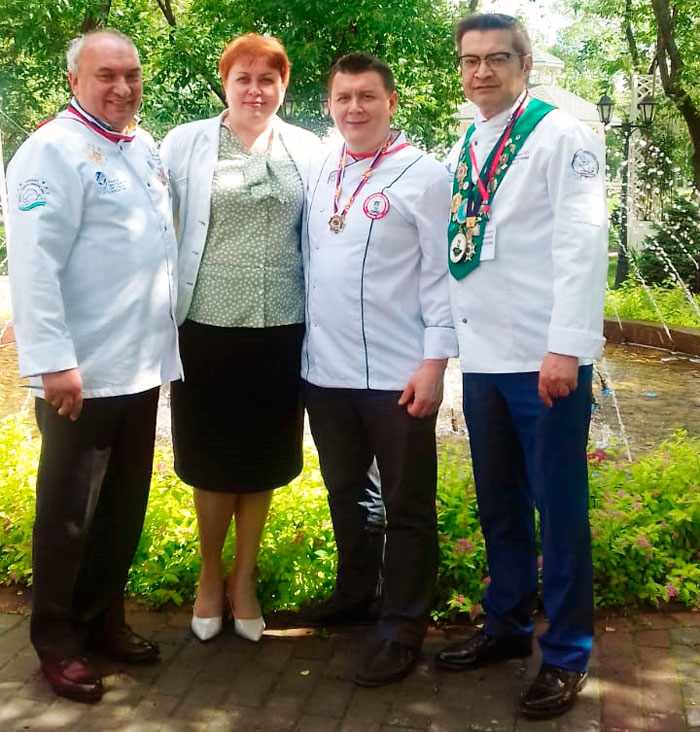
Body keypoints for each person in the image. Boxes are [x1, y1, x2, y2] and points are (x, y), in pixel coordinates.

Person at [435, 13, 608, 720]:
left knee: (558, 510)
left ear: (525, 63)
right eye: (470, 60)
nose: (482, 71)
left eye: (497, 58)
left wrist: (566, 346)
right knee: (500, 502)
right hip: (484, 360)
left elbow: (582, 243)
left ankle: (566, 652)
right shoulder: (466, 143)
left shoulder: (561, 135)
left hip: (544, 359)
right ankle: (506, 625)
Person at [6, 30, 181, 703]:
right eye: (106, 75)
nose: (122, 87)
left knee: (120, 510)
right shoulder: (51, 151)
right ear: (74, 80)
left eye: (131, 74)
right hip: (81, 373)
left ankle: (102, 618)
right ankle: (57, 643)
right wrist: (53, 362)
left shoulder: (140, 145)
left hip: (139, 366)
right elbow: (34, 265)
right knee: (68, 515)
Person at [302, 52, 457, 686]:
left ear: (391, 102)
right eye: (343, 98)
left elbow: (442, 274)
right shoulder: (321, 168)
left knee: (407, 504)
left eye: (367, 96)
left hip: (397, 371)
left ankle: (403, 625)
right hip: (325, 372)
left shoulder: (426, 174)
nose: (354, 108)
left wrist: (435, 362)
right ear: (330, 105)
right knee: (347, 493)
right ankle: (356, 595)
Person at [159, 33, 318, 644]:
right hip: (206, 325)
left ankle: (243, 578)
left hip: (281, 327)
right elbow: (154, 224)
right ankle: (209, 574)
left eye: (267, 79)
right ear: (224, 83)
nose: (255, 90)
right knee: (211, 459)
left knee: (262, 460)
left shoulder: (308, 148)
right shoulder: (186, 142)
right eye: (243, 78)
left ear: (283, 86)